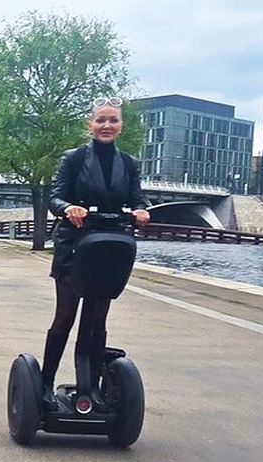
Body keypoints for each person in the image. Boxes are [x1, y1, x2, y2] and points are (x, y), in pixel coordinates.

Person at [42, 95, 150, 411]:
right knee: (66, 316)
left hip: (108, 247)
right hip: (74, 247)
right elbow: (55, 198)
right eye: (100, 120)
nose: (106, 125)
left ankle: (92, 387)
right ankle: (46, 384)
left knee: (97, 320)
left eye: (113, 120)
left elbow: (137, 199)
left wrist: (142, 211)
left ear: (120, 125)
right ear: (89, 125)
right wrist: (68, 208)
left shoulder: (129, 163)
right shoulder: (72, 159)